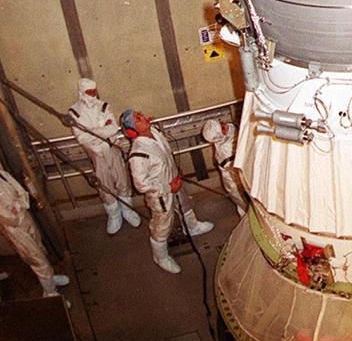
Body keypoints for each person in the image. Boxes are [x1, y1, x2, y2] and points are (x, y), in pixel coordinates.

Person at [120, 110, 213, 273]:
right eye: (138, 119)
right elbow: (141, 185)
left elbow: (165, 155)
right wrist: (168, 188)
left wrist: (174, 172)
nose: (143, 117)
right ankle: (160, 257)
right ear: (131, 131)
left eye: (140, 113)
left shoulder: (155, 133)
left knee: (185, 204)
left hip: (174, 180)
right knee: (162, 224)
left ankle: (192, 227)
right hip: (161, 194)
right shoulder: (138, 154)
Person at [67, 77, 141, 234]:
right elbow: (81, 138)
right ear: (81, 93)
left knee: (121, 178)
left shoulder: (104, 106)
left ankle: (127, 209)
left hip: (111, 148)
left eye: (94, 91)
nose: (93, 95)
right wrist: (102, 129)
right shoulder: (74, 112)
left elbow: (113, 128)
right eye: (89, 92)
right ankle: (114, 214)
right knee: (104, 184)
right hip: (95, 154)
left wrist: (92, 131)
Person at [0, 164, 69, 297]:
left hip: (25, 219)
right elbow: (8, 218)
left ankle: (49, 279)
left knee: (39, 248)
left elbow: (22, 193)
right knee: (36, 259)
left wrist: (18, 205)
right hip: (16, 230)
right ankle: (50, 292)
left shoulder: (3, 175)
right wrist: (18, 205)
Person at [201, 118, 248, 217]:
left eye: (221, 123)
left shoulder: (230, 130)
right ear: (220, 136)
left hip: (235, 173)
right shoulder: (226, 154)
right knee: (243, 202)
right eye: (223, 128)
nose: (225, 126)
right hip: (234, 181)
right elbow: (242, 173)